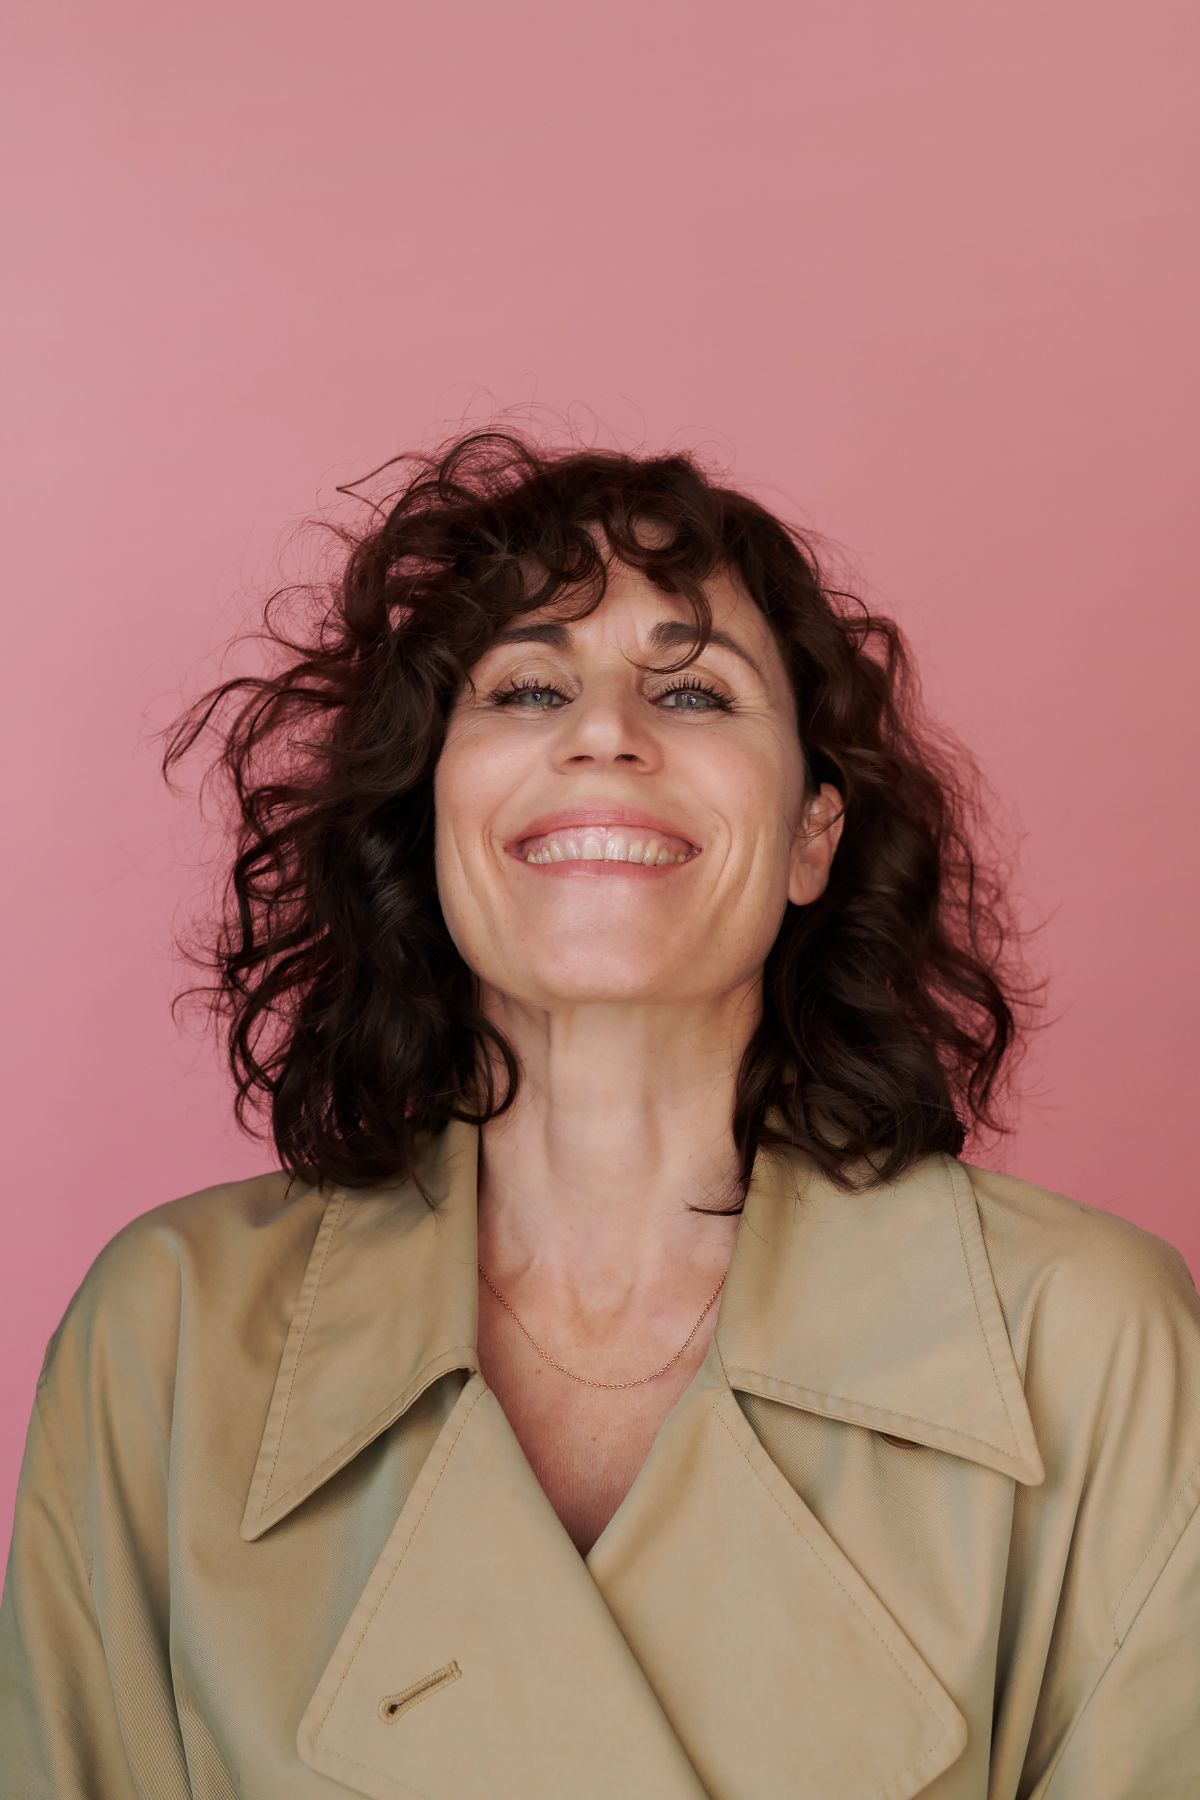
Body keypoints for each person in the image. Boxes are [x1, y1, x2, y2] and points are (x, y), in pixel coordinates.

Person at [2, 426, 1197, 1797]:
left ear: (812, 836)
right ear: (430, 814)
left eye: (692, 693)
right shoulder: (168, 1334)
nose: (607, 733)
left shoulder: (1089, 1345)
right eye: (526, 689)